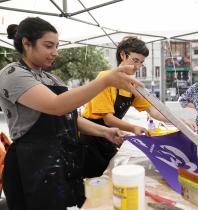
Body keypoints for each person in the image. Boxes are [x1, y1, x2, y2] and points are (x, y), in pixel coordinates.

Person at [0, 17, 143, 210]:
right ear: (26, 43)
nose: (55, 53)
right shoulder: (12, 74)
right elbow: (56, 106)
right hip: (31, 165)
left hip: (59, 160)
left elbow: (69, 117)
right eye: (48, 46)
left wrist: (105, 132)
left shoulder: (51, 77)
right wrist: (105, 81)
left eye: (57, 46)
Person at [80, 36, 168, 178]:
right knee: (94, 182)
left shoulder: (131, 84)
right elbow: (108, 119)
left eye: (141, 63)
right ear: (122, 54)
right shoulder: (105, 78)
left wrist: (178, 121)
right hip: (91, 139)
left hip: (110, 137)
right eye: (135, 60)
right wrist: (133, 128)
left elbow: (153, 111)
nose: (138, 67)